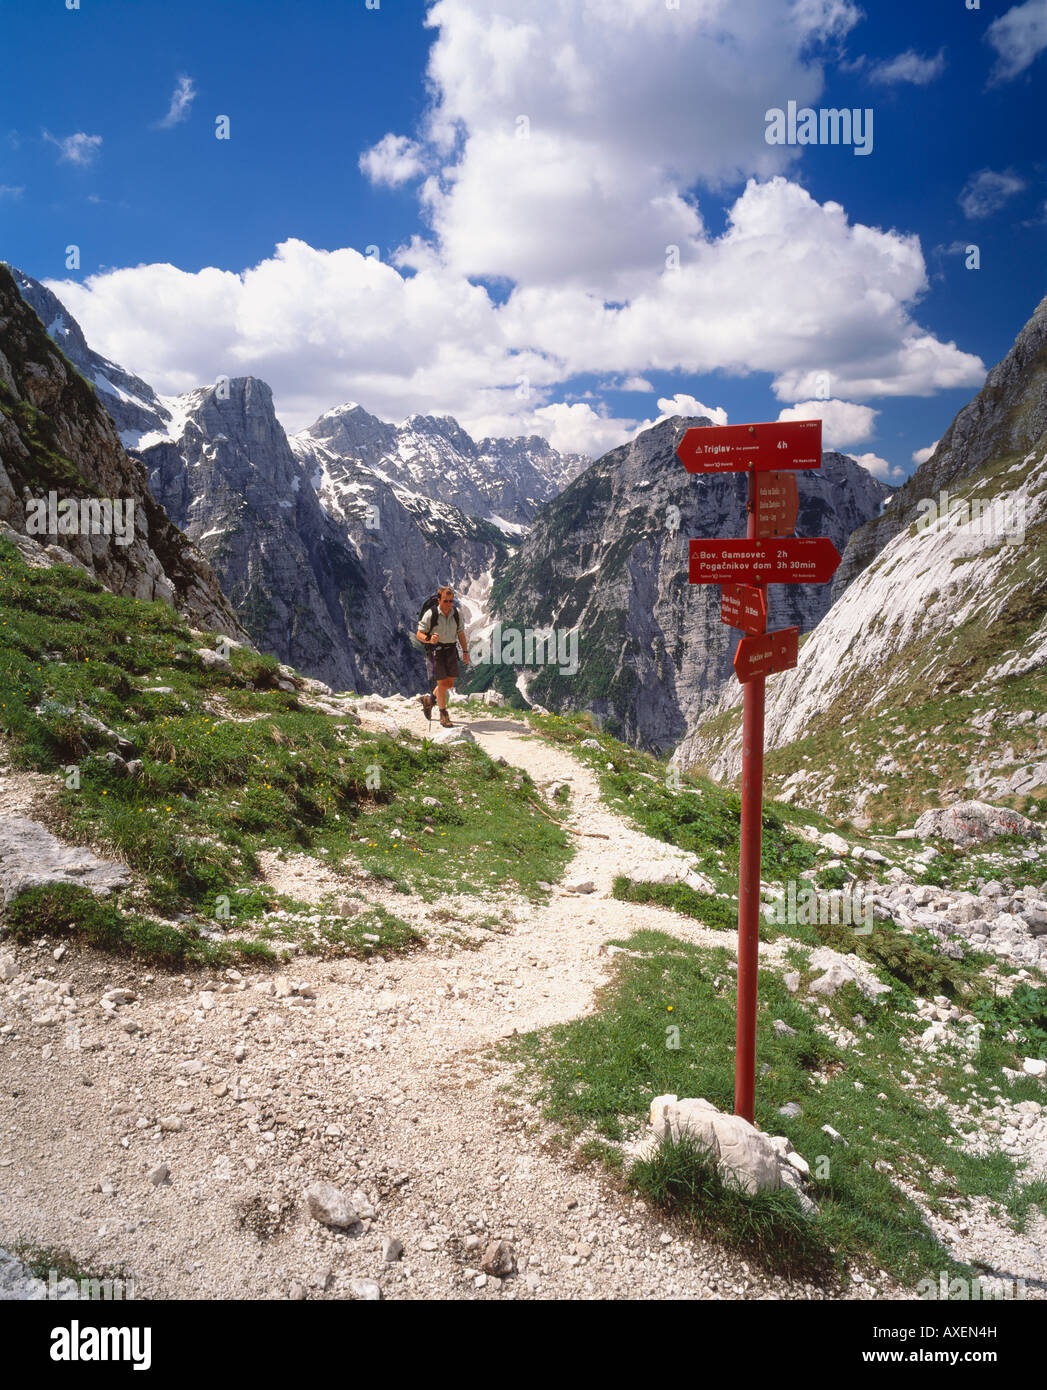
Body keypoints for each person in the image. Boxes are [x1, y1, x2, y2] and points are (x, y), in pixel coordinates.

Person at [417, 585, 470, 727]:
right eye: (445, 601)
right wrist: (429, 639)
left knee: (449, 684)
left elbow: (460, 634)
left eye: (451, 601)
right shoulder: (431, 614)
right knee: (441, 684)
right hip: (436, 651)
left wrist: (465, 652)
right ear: (439, 600)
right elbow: (419, 634)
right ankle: (443, 714)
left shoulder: (456, 613)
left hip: (451, 650)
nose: (448, 604)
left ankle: (429, 701)